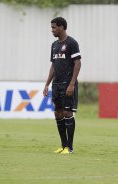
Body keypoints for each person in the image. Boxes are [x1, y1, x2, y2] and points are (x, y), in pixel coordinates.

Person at [43, 17, 81, 154]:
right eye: (52, 27)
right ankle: (63, 145)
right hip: (56, 85)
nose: (52, 30)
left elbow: (78, 63)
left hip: (67, 84)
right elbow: (53, 65)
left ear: (62, 27)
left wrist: (72, 83)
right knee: (58, 113)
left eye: (54, 27)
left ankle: (69, 148)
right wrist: (47, 84)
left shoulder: (72, 43)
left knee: (67, 112)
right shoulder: (54, 45)